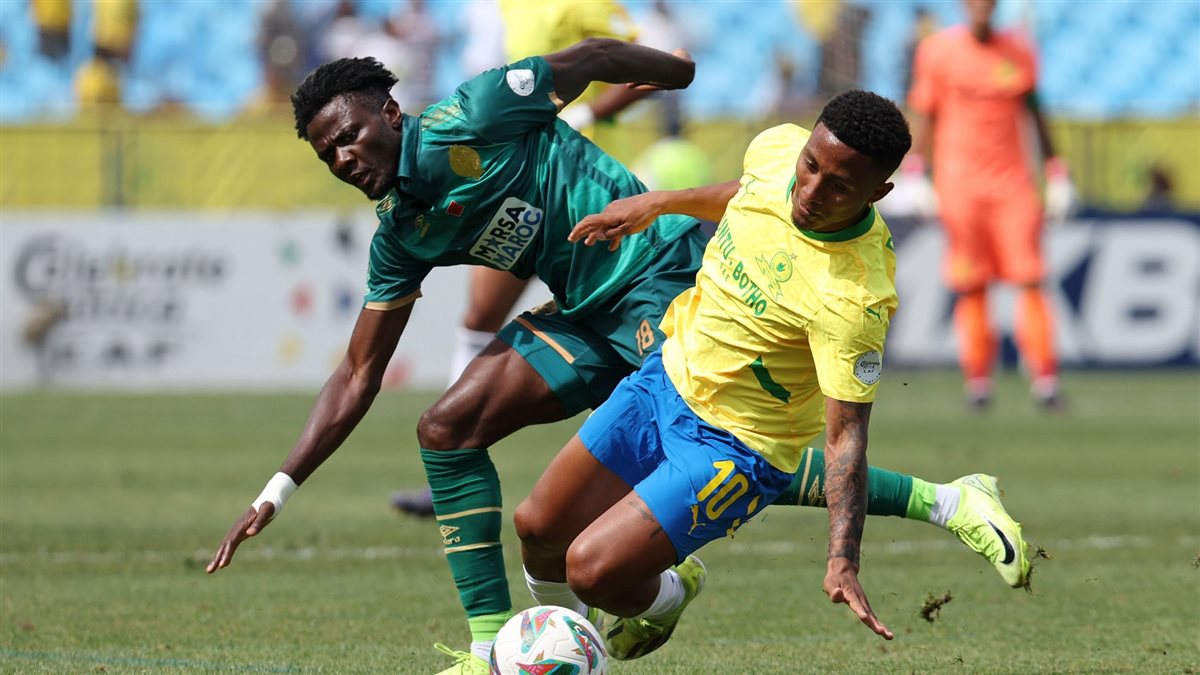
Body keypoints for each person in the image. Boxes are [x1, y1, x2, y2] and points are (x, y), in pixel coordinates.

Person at [205, 41, 1027, 675]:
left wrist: (677, 73)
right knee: (447, 429)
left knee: (722, 441)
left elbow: (592, 59)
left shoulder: (477, 112)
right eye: (328, 154)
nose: (344, 158)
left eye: (349, 136)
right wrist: (276, 489)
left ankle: (936, 500)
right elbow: (358, 373)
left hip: (657, 275)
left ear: (390, 111)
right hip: (583, 311)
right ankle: (495, 648)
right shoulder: (402, 234)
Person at [515, 90, 1028, 661]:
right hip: (663, 380)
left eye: (839, 187)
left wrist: (842, 558)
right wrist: (659, 204)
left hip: (733, 447)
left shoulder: (854, 297)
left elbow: (845, 438)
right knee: (537, 528)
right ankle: (561, 646)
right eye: (811, 166)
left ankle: (666, 597)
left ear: (877, 194)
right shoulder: (778, 148)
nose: (810, 192)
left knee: (590, 571)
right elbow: (747, 194)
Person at [390, 0, 665, 518]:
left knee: (625, 339)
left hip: (588, 189)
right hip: (522, 185)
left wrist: (584, 113)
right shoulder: (499, 10)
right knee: (479, 316)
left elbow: (650, 62)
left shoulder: (580, 4)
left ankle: (643, 487)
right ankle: (452, 457)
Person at [904, 0, 1076, 410]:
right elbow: (926, 114)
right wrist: (915, 169)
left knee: (1030, 277)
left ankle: (1045, 379)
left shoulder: (1019, 51)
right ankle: (978, 381)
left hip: (1013, 185)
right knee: (972, 282)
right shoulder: (937, 52)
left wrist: (1055, 170)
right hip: (960, 185)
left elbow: (1036, 113)